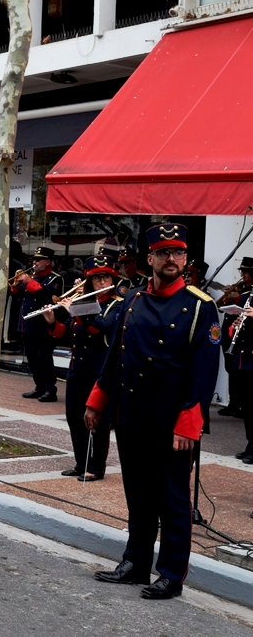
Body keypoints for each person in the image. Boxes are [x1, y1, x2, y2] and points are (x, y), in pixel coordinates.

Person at [85, 223, 219, 600]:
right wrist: (97, 400)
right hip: (131, 415)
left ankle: (172, 573)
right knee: (138, 494)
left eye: (177, 253)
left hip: (171, 421)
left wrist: (189, 423)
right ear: (151, 259)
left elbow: (204, 371)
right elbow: (117, 357)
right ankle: (135, 561)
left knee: (172, 500)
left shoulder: (199, 307)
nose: (171, 259)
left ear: (185, 258)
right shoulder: (134, 299)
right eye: (163, 253)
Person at [42, 256, 121, 482]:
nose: (102, 282)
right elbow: (66, 333)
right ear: (90, 281)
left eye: (106, 277)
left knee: (98, 421)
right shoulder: (81, 302)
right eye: (97, 278)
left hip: (100, 371)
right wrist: (50, 321)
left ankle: (96, 467)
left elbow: (102, 328)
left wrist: (78, 312)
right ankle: (81, 462)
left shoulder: (116, 305)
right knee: (74, 417)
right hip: (78, 369)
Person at [11, 246, 64, 402]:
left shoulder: (55, 279)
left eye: (38, 259)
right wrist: (16, 283)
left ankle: (50, 389)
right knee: (32, 358)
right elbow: (18, 295)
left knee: (44, 358)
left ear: (47, 261)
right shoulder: (32, 276)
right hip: (27, 324)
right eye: (33, 259)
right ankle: (39, 386)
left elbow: (46, 296)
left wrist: (29, 281)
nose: (34, 262)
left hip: (43, 325)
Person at [218, 258, 252, 419]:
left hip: (247, 346)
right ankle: (235, 403)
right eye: (242, 271)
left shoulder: (247, 294)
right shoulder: (246, 292)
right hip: (235, 342)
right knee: (233, 372)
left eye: (246, 272)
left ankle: (239, 405)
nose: (242, 274)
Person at [226, 283, 253, 465]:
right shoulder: (247, 296)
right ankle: (250, 445)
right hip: (244, 361)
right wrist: (235, 326)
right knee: (248, 408)